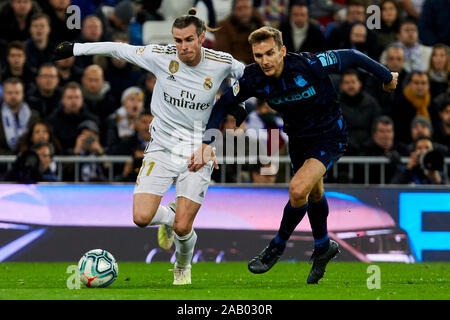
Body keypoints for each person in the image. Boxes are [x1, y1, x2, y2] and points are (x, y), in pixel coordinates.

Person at [190, 26, 398, 284]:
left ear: (283, 51)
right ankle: (323, 246)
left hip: (329, 135)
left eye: (269, 53)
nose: (264, 61)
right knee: (314, 193)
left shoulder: (309, 64)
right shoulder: (253, 77)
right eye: (258, 55)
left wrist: (387, 76)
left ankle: (277, 246)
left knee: (298, 189)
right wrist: (207, 142)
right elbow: (223, 104)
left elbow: (353, 56)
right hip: (298, 140)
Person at [53, 8, 245, 285]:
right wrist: (76, 47)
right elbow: (119, 50)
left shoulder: (221, 62)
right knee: (142, 217)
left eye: (189, 40)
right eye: (178, 40)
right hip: (162, 147)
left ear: (202, 38)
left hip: (197, 149)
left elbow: (249, 77)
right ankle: (167, 217)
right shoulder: (162, 56)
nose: (182, 47)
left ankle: (181, 267)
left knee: (183, 226)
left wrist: (239, 102)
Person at [214, 0, 265, 65]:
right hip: (238, 66)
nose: (243, 12)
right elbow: (223, 55)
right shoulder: (224, 26)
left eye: (246, 8)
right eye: (239, 9)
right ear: (233, 11)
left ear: (251, 9)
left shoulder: (257, 20)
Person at [0, 77, 39, 155]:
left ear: (23, 94)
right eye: (10, 93)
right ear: (3, 94)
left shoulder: (34, 116)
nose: (13, 96)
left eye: (17, 92)